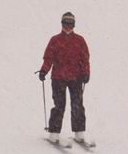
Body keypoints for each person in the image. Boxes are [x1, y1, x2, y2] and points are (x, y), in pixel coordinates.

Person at [38, 12, 91, 145]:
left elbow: (85, 59)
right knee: (59, 105)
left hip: (76, 78)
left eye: (70, 24)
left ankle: (79, 133)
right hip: (58, 78)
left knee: (77, 105)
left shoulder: (80, 40)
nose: (68, 27)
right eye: (65, 24)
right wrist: (44, 70)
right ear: (61, 24)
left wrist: (86, 73)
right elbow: (48, 58)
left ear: (74, 25)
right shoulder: (55, 40)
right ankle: (54, 134)